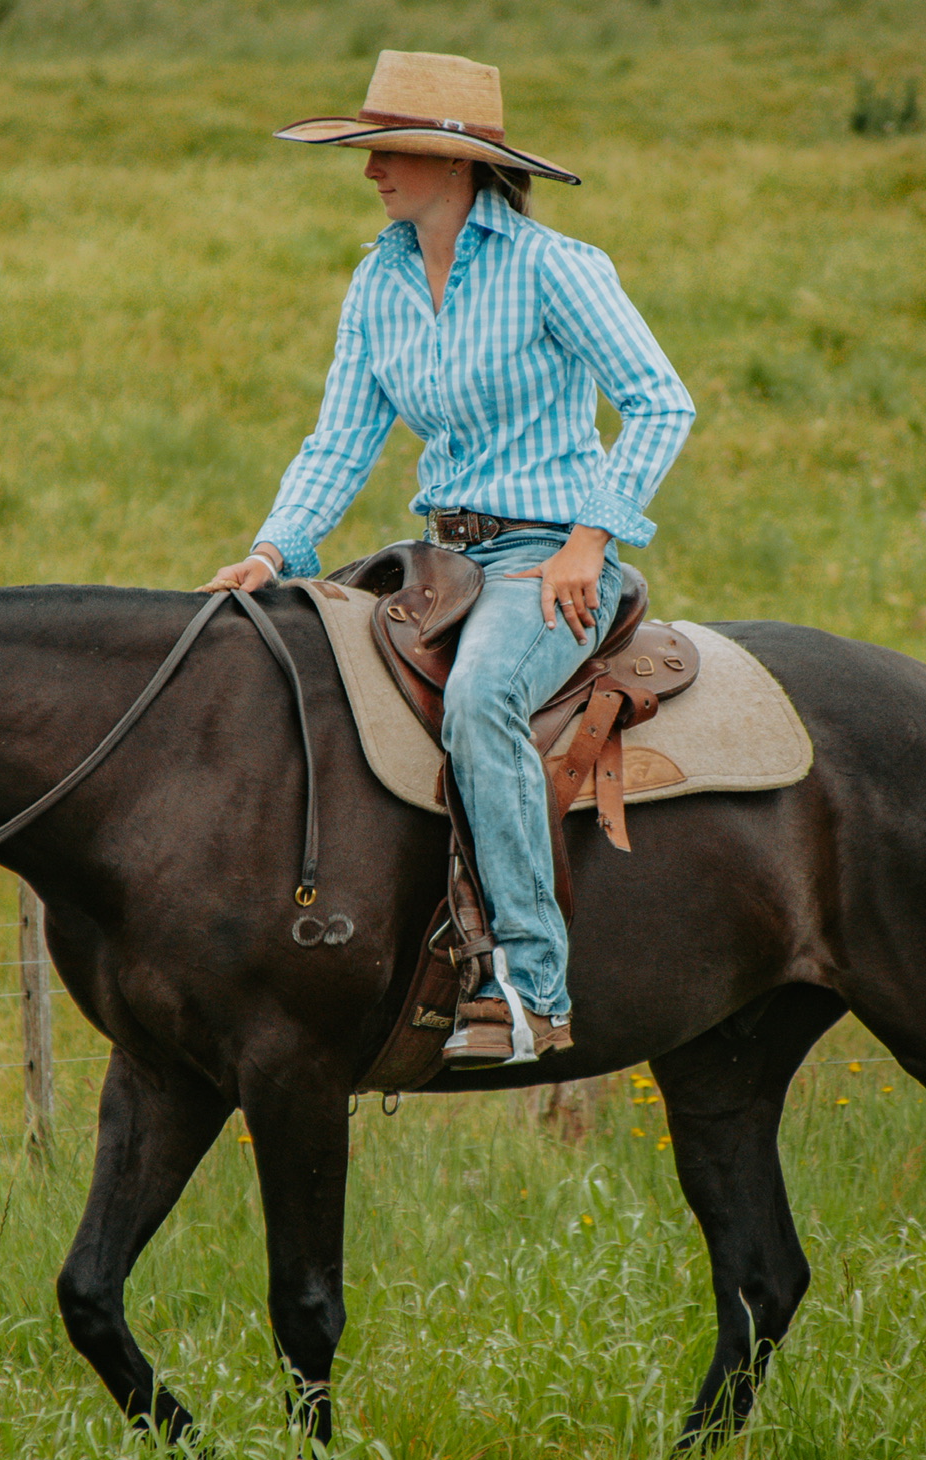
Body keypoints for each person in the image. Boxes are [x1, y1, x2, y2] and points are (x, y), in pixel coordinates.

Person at [200, 50, 694, 1066]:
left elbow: (660, 402)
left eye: (393, 151)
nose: (371, 168)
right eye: (372, 149)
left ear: (458, 164)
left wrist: (591, 539)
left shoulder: (554, 267)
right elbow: (341, 439)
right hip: (437, 561)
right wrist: (271, 548)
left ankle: (528, 987)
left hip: (550, 558)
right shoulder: (379, 278)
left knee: (480, 699)